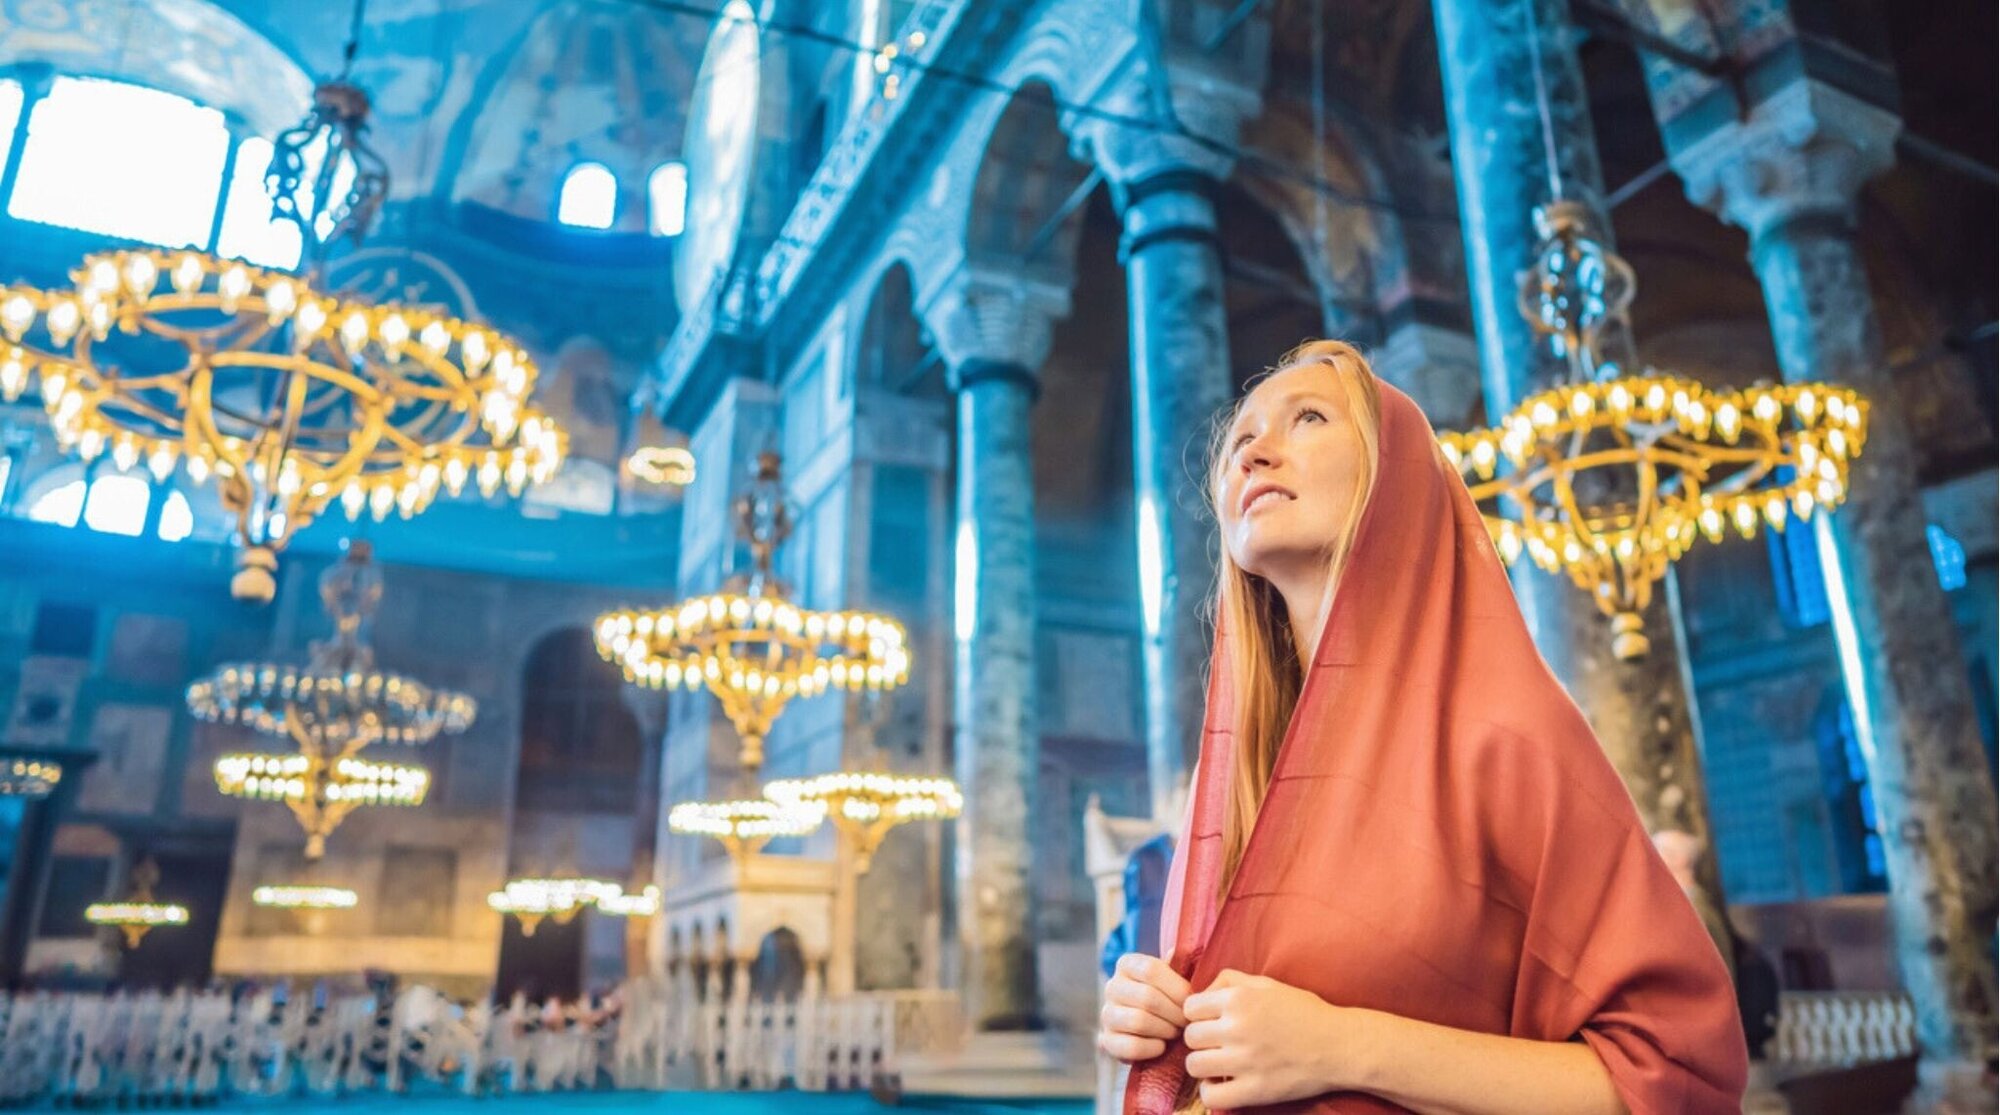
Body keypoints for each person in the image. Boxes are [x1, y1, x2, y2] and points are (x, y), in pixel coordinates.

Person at [1096, 341, 1747, 1114]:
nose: (1255, 453)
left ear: (1394, 474)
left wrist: (1343, 1046)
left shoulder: (1507, 734)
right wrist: (1151, 1012)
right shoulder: (1229, 773)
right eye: (1239, 442)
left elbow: (1677, 1071)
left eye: (1307, 418)